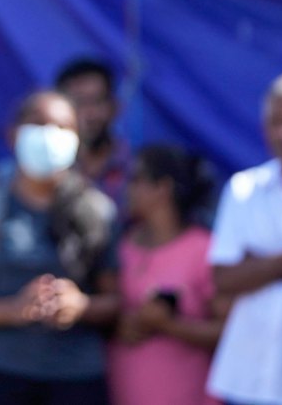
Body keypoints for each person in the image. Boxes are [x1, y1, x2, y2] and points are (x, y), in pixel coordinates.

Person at [0, 91, 119, 405]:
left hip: (77, 380)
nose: (49, 136)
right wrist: (13, 310)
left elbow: (116, 300)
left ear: (77, 140)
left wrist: (81, 305)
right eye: (38, 124)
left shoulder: (100, 212)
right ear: (13, 135)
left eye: (62, 127)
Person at [206, 71, 282, 405]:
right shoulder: (244, 189)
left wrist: (260, 264)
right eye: (275, 122)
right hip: (246, 380)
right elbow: (223, 277)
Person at [109, 145, 225, 405]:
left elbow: (228, 332)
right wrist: (120, 324)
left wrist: (167, 325)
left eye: (136, 179)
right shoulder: (121, 245)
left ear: (163, 188)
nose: (127, 188)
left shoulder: (204, 249)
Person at [55, 58, 132, 209]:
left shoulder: (135, 170)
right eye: (79, 102)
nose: (90, 113)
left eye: (98, 101)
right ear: (59, 109)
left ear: (115, 107)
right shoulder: (47, 171)